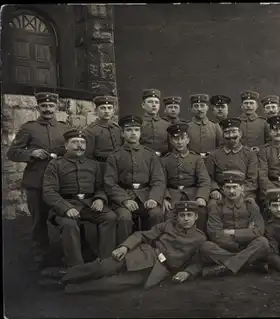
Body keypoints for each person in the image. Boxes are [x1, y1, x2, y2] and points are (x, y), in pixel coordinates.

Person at [59, 201, 206, 294]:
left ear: (196, 217)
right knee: (103, 267)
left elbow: (197, 262)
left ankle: (70, 289)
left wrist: (187, 273)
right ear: (177, 217)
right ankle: (64, 278)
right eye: (182, 215)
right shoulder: (167, 225)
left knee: (113, 284)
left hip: (156, 270)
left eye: (189, 215)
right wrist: (125, 247)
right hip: (143, 255)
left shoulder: (200, 238)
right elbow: (142, 235)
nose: (186, 219)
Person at [7, 92, 70, 267]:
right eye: (44, 106)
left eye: (51, 106)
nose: (48, 109)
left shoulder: (64, 128)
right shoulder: (29, 128)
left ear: (56, 107)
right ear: (38, 107)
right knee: (38, 220)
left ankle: (67, 253)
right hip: (37, 181)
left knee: (65, 217)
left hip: (60, 181)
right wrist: (30, 153)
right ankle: (39, 255)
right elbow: (12, 153)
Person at [42, 129, 117, 273]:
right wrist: (66, 208)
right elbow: (49, 191)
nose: (79, 146)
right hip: (67, 204)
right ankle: (76, 267)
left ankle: (105, 261)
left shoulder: (94, 164)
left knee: (110, 217)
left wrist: (100, 199)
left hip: (89, 204)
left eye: (82, 142)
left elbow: (101, 187)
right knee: (69, 224)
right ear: (66, 146)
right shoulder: (55, 164)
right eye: (75, 142)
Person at [104, 115, 166, 244]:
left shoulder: (150, 155)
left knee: (156, 214)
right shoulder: (115, 156)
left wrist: (153, 198)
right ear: (122, 133)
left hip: (146, 195)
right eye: (129, 130)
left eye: (136, 130)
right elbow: (110, 182)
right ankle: (124, 251)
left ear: (140, 133)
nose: (133, 133)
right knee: (124, 217)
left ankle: (153, 249)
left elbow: (158, 180)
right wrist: (124, 200)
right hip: (124, 196)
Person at [201, 170, 269, 277]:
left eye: (234, 187)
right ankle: (249, 265)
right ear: (223, 189)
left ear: (242, 187)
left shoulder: (250, 205)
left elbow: (258, 230)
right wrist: (242, 239)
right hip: (228, 248)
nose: (231, 191)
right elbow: (215, 234)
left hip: (247, 246)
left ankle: (225, 266)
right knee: (206, 246)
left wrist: (232, 232)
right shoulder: (217, 207)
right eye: (228, 187)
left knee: (263, 242)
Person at [161, 123, 211, 232]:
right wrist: (164, 198)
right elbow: (161, 182)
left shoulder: (196, 159)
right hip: (173, 194)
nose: (179, 142)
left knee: (201, 212)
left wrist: (201, 197)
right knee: (169, 214)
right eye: (176, 139)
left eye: (182, 138)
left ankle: (199, 240)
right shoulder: (165, 160)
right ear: (171, 141)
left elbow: (204, 180)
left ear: (188, 140)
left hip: (192, 193)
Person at [205, 118, 259, 202]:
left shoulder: (250, 154)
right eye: (227, 132)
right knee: (213, 205)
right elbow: (209, 178)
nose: (231, 136)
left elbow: (252, 180)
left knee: (250, 205)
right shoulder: (214, 155)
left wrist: (238, 192)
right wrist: (214, 189)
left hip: (244, 193)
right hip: (221, 193)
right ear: (223, 135)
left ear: (240, 134)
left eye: (234, 132)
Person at [85, 95, 123, 172]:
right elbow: (88, 156)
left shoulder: (117, 128)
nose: (106, 111)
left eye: (109, 108)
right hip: (101, 167)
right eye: (103, 108)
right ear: (96, 110)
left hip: (118, 167)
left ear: (113, 110)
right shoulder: (91, 130)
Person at [139, 88, 171, 157]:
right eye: (150, 102)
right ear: (143, 105)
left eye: (156, 102)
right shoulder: (138, 124)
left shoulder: (167, 125)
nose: (154, 105)